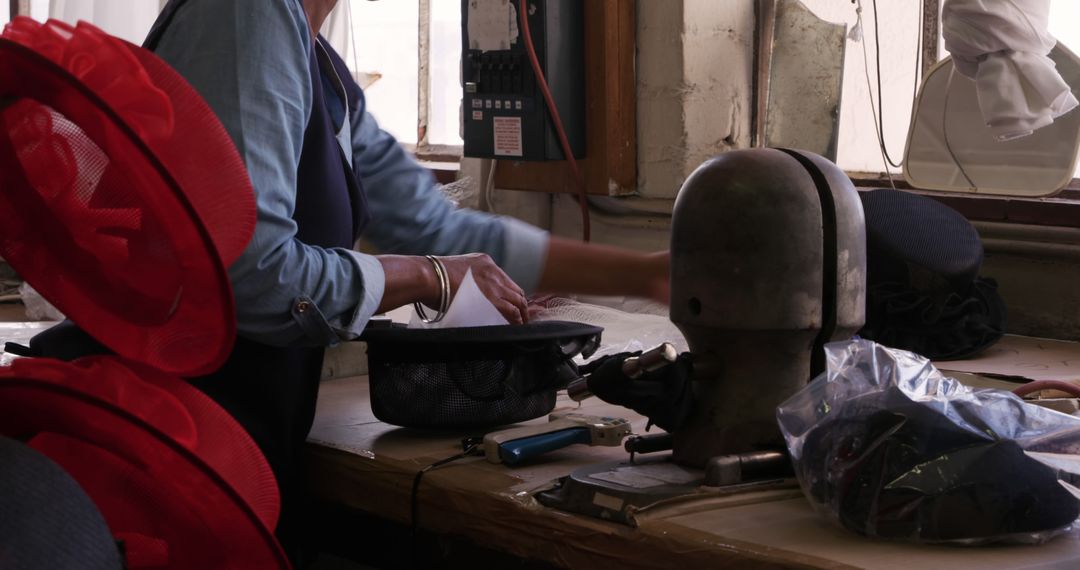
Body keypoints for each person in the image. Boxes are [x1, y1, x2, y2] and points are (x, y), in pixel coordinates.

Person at [143, 0, 669, 557]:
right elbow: (257, 276)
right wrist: (429, 277)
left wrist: (643, 274)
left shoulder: (319, 66)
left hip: (240, 430)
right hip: (171, 435)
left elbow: (433, 228)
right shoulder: (246, 15)